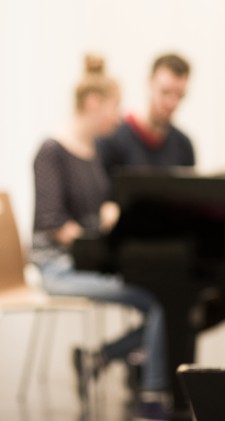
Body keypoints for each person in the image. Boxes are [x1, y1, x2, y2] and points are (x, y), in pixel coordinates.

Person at [31, 55, 171, 421]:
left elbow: (94, 215)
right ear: (93, 104)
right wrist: (100, 242)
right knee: (157, 301)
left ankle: (102, 358)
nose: (119, 115)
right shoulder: (51, 151)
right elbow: (53, 224)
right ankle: (152, 393)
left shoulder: (91, 151)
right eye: (114, 106)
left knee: (162, 297)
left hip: (84, 260)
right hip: (57, 268)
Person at [97, 52, 194, 177]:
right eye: (165, 92)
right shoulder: (113, 138)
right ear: (150, 83)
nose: (171, 103)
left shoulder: (183, 146)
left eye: (179, 95)